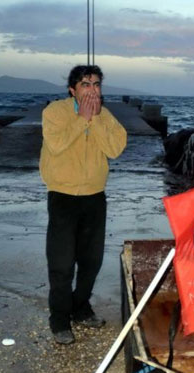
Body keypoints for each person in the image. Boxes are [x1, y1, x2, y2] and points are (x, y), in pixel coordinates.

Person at [40, 64, 127, 345]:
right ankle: (60, 319)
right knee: (62, 263)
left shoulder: (105, 115)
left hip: (94, 197)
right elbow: (56, 145)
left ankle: (80, 307)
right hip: (63, 196)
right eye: (86, 85)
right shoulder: (54, 112)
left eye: (97, 84)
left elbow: (115, 148)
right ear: (72, 89)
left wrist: (95, 119)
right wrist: (81, 118)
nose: (93, 90)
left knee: (91, 261)